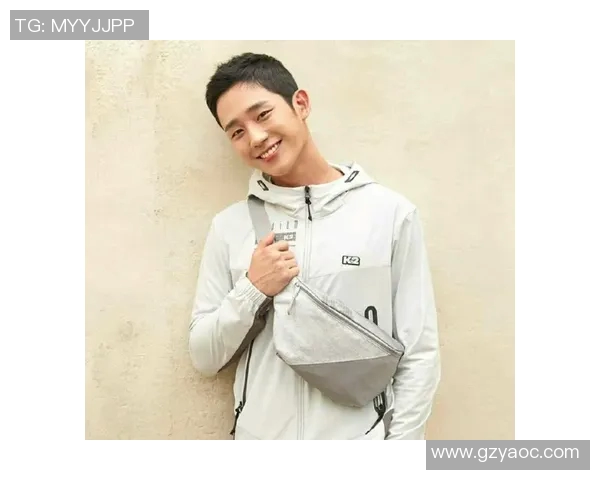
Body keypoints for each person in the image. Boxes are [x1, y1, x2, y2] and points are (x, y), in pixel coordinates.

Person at [188, 52, 441, 440]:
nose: (255, 137)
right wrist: (252, 290)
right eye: (236, 131)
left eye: (262, 114)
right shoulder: (229, 227)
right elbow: (204, 357)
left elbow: (419, 353)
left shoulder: (389, 214)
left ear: (300, 104)